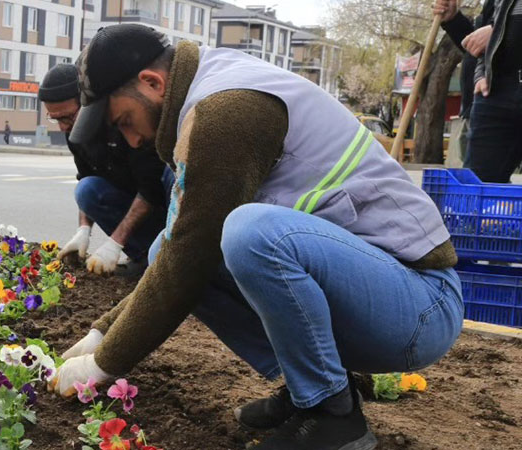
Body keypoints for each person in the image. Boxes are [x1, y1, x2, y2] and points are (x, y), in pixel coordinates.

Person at [49, 24, 462, 450]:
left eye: (126, 122)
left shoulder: (226, 111)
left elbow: (188, 258)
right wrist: (100, 334)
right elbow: (178, 250)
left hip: (419, 307)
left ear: (152, 83)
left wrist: (102, 363)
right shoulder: (204, 95)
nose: (133, 140)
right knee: (169, 248)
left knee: (252, 234)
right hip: (379, 298)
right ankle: (309, 389)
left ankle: (332, 415)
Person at [40, 64, 173, 274]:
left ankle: (170, 259)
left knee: (169, 176)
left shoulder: (123, 121)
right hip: (130, 198)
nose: (63, 127)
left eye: (67, 117)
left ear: (86, 103)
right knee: (86, 189)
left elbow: (150, 189)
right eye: (55, 119)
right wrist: (83, 230)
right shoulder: (74, 132)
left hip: (162, 203)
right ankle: (143, 258)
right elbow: (86, 175)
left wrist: (115, 243)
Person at [435, 0, 522, 182]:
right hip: (496, 91)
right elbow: (485, 43)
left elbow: (497, 32)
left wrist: (498, 30)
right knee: (477, 186)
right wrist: (481, 73)